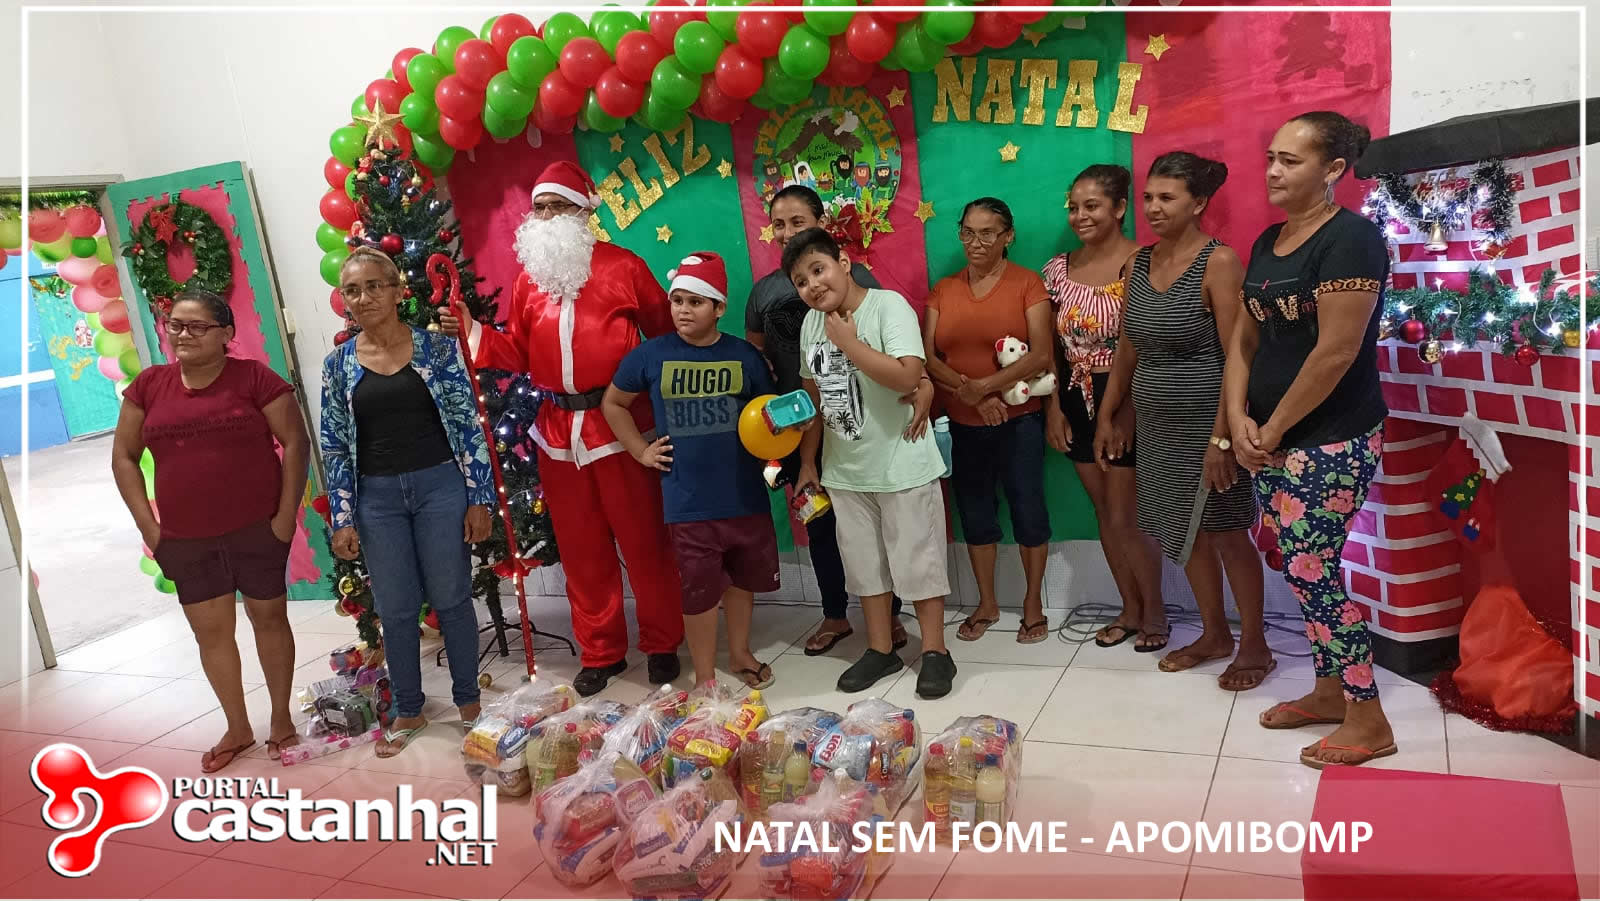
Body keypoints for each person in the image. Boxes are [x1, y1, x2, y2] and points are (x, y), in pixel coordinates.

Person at [439, 160, 684, 696]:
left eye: (558, 206)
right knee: (581, 550)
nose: (547, 216)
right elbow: (516, 351)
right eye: (540, 208)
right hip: (556, 435)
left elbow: (667, 339)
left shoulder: (626, 268)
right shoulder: (529, 281)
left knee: (645, 543)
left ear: (584, 211)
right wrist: (474, 330)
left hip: (622, 427)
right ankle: (601, 651)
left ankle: (663, 643)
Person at [1227, 112, 1396, 767]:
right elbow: (1245, 339)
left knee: (1311, 569)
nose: (1273, 170)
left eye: (1291, 161)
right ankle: (1329, 693)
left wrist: (1271, 429)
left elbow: (1336, 352)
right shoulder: (1270, 240)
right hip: (1270, 439)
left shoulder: (1352, 239)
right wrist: (1238, 418)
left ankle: (1368, 718)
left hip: (1331, 437)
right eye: (1271, 157)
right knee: (1303, 569)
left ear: (1333, 170)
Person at [1095, 152, 1272, 691]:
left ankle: (1255, 643)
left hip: (1209, 423)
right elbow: (1128, 346)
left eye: (1166, 198)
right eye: (1149, 197)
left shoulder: (1219, 262)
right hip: (1156, 426)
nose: (1153, 207)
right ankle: (1214, 634)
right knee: (1184, 531)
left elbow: (1237, 353)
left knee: (1227, 532)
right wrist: (1108, 414)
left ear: (1198, 203)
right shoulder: (1137, 264)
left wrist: (1223, 437)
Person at [111, 288, 308, 772]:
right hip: (185, 539)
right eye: (175, 324)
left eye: (198, 326)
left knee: (269, 619)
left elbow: (295, 443)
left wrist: (285, 518)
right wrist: (150, 528)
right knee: (211, 634)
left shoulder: (256, 378)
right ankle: (237, 727)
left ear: (226, 334)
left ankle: (281, 720)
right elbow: (124, 457)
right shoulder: (149, 386)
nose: (183, 334)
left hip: (257, 529)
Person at [320, 247, 493, 757]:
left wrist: (479, 497)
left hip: (440, 487)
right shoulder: (338, 365)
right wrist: (343, 516)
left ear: (398, 291)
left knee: (452, 598)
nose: (364, 297)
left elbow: (468, 424)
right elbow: (334, 444)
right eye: (353, 290)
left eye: (375, 286)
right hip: (377, 499)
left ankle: (469, 704)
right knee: (395, 609)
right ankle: (409, 709)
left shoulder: (437, 350)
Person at [745, 185, 928, 656]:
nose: (787, 232)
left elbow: (896, 351)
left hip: (871, 428)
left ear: (822, 229)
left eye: (798, 222)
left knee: (886, 533)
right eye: (778, 224)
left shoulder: (859, 282)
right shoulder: (765, 292)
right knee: (824, 527)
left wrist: (922, 383)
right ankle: (835, 615)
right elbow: (759, 358)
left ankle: (893, 621)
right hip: (806, 428)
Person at [785, 227, 957, 699]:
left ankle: (936, 651)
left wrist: (849, 343)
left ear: (843, 263)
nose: (812, 285)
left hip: (901, 462)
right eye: (801, 281)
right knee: (864, 566)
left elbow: (908, 375)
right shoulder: (811, 324)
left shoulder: (887, 307)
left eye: (818, 270)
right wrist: (807, 462)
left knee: (918, 562)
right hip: (845, 469)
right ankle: (881, 649)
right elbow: (814, 400)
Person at [603, 252, 780, 690]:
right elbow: (614, 403)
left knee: (741, 581)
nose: (683, 310)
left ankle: (740, 654)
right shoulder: (652, 354)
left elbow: (770, 413)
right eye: (677, 300)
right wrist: (641, 450)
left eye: (696, 302)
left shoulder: (744, 355)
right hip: (687, 500)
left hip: (743, 493)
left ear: (719, 307)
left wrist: (782, 444)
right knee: (699, 590)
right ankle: (704, 676)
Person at [1042, 166, 1167, 652]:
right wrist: (1054, 408)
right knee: (1104, 512)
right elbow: (1050, 350)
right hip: (1076, 397)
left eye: (1091, 206)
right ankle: (1130, 608)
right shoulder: (1057, 270)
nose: (1080, 216)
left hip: (1125, 397)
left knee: (1125, 516)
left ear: (1119, 208)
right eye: (1073, 207)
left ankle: (1154, 613)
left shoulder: (1143, 264)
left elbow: (1145, 346)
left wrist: (1121, 414)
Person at [923, 197, 1053, 644]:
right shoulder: (944, 289)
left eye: (987, 233)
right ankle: (987, 603)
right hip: (962, 423)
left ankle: (1033, 604)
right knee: (975, 514)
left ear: (1007, 236)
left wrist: (987, 387)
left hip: (1020, 422)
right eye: (967, 232)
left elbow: (1041, 354)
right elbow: (928, 357)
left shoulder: (1027, 283)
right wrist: (972, 396)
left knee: (1028, 509)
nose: (975, 242)